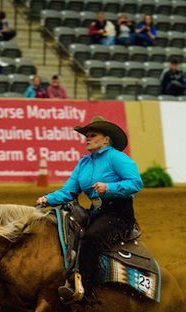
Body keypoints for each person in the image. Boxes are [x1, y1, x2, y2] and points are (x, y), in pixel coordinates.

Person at [35, 116, 143, 301]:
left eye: (93, 135)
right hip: (97, 212)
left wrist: (109, 188)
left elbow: (136, 183)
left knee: (91, 237)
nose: (87, 138)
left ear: (106, 140)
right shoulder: (84, 163)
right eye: (87, 135)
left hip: (119, 213)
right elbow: (68, 191)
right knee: (64, 233)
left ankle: (84, 290)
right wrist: (47, 199)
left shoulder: (117, 158)